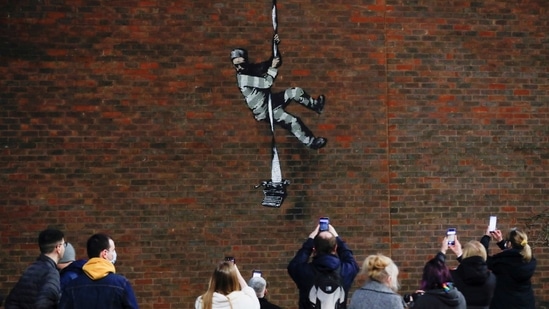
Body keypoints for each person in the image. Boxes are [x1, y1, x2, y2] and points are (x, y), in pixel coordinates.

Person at [230, 34, 327, 150]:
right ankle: (311, 142)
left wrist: (275, 46)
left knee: (296, 92)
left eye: (242, 64)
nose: (240, 67)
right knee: (293, 121)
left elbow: (273, 62)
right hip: (265, 110)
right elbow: (267, 83)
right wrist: (273, 67)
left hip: (270, 100)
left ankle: (316, 106)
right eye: (237, 65)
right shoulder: (243, 78)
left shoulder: (250, 69)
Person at [287, 222, 360, 309]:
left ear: (314, 249)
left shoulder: (304, 271)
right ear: (335, 248)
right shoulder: (346, 270)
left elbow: (295, 264)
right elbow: (348, 257)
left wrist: (310, 240)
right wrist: (337, 239)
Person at [59, 233, 139, 309]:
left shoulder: (72, 286)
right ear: (105, 254)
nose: (114, 254)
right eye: (113, 250)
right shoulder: (122, 284)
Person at [5, 228, 66, 309]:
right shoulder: (51, 273)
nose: (65, 247)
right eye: (64, 244)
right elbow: (43, 304)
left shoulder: (30, 269)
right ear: (58, 248)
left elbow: (11, 301)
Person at [481, 227, 536, 309]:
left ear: (509, 244)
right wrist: (501, 242)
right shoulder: (530, 259)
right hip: (526, 303)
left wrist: (486, 237)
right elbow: (514, 253)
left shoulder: (501, 262)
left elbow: (483, 259)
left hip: (504, 303)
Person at [439, 236, 495, 309]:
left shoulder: (452, 276)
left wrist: (442, 251)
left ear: (465, 254)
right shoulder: (492, 278)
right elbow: (473, 267)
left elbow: (436, 273)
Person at [195, 260, 260, 309]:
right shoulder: (241, 301)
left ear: (213, 280)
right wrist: (238, 276)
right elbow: (252, 298)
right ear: (234, 281)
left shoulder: (202, 301)